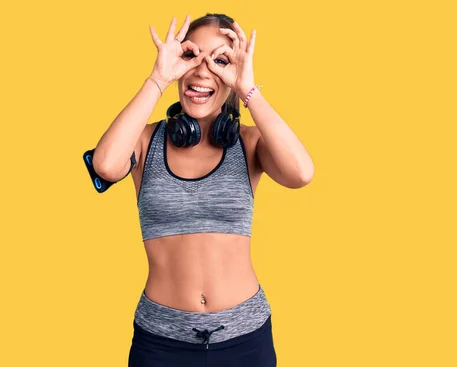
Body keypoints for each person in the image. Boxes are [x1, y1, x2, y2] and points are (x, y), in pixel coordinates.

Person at [82, 12, 314, 367]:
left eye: (220, 60)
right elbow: (106, 164)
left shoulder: (249, 143)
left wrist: (248, 90)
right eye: (192, 56)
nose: (203, 72)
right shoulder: (145, 141)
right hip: (160, 342)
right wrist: (157, 79)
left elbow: (301, 173)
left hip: (245, 338)